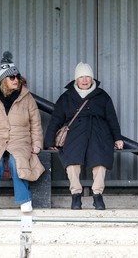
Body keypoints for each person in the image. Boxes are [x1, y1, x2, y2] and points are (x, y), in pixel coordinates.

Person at [0, 51, 45, 213]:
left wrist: (37, 144)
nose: (16, 80)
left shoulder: (27, 97)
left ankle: (24, 200)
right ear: (3, 80)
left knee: (16, 161)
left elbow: (36, 123)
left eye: (17, 77)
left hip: (20, 140)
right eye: (12, 77)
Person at [44, 62, 124, 210]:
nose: (85, 80)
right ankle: (76, 196)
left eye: (88, 76)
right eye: (81, 77)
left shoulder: (102, 96)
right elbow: (56, 120)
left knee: (100, 163)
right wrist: (49, 141)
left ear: (92, 78)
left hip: (99, 135)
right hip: (74, 136)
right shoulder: (66, 97)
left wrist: (117, 137)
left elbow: (112, 118)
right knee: (72, 163)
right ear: (76, 79)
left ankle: (97, 195)